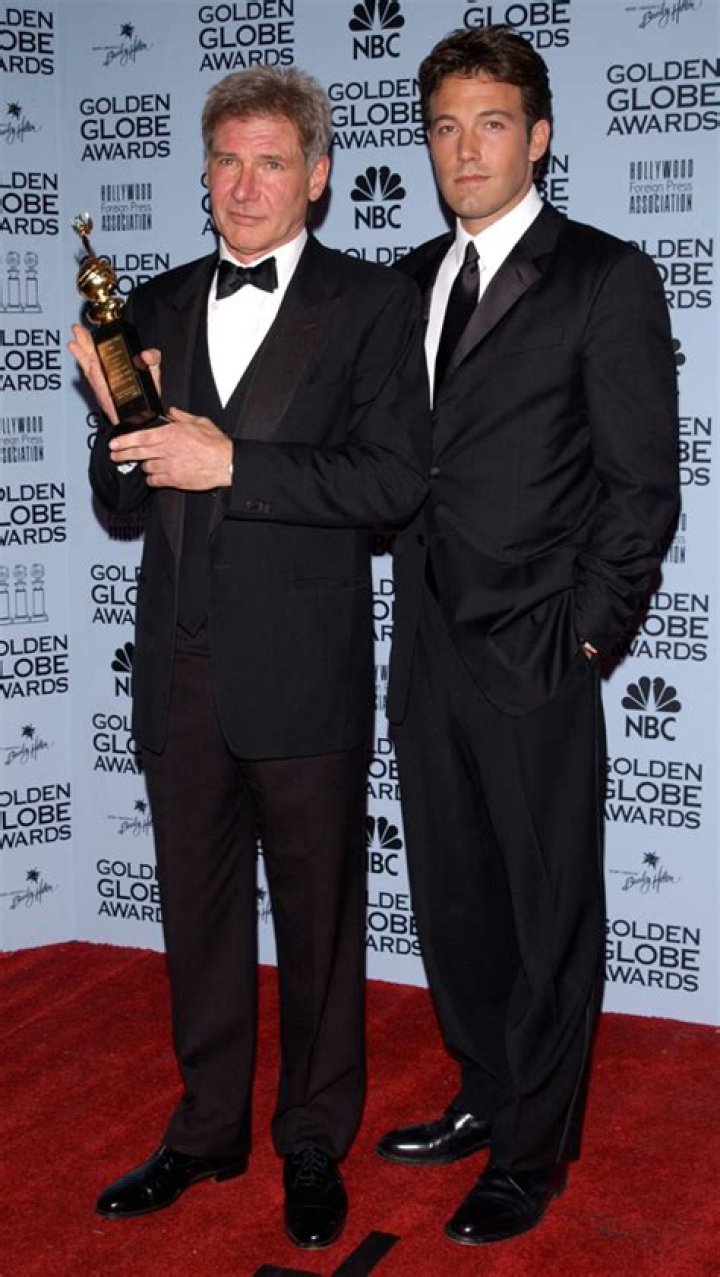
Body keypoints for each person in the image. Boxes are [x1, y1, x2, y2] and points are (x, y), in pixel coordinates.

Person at [70, 66, 429, 1250]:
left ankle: (312, 1139)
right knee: (199, 914)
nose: (244, 184)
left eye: (271, 161)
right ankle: (206, 1127)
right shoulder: (156, 303)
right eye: (226, 160)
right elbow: (123, 504)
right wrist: (116, 427)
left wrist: (235, 462)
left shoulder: (374, 303)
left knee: (320, 923)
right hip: (177, 669)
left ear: (317, 177)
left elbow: (393, 482)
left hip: (303, 669)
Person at [378, 26, 679, 1246]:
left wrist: (587, 637)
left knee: (551, 909)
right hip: (424, 649)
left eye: (491, 124)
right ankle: (487, 1091)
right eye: (446, 127)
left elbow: (641, 487)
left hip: (538, 649)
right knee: (455, 902)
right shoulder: (406, 281)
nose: (466, 150)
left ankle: (535, 1149)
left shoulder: (604, 276)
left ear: (539, 136)